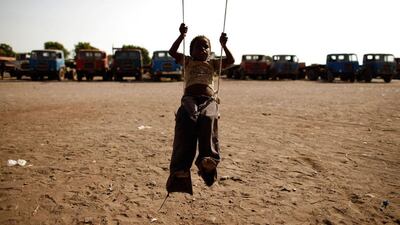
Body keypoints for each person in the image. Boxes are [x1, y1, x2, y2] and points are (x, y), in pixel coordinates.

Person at [166, 23, 234, 195]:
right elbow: (172, 52)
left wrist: (224, 45)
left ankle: (207, 160)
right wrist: (181, 36)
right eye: (198, 46)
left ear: (210, 51)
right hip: (189, 98)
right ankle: (181, 169)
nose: (202, 49)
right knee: (188, 120)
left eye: (206, 46)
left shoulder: (212, 63)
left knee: (208, 118)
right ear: (191, 51)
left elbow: (231, 61)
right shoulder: (188, 61)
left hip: (209, 99)